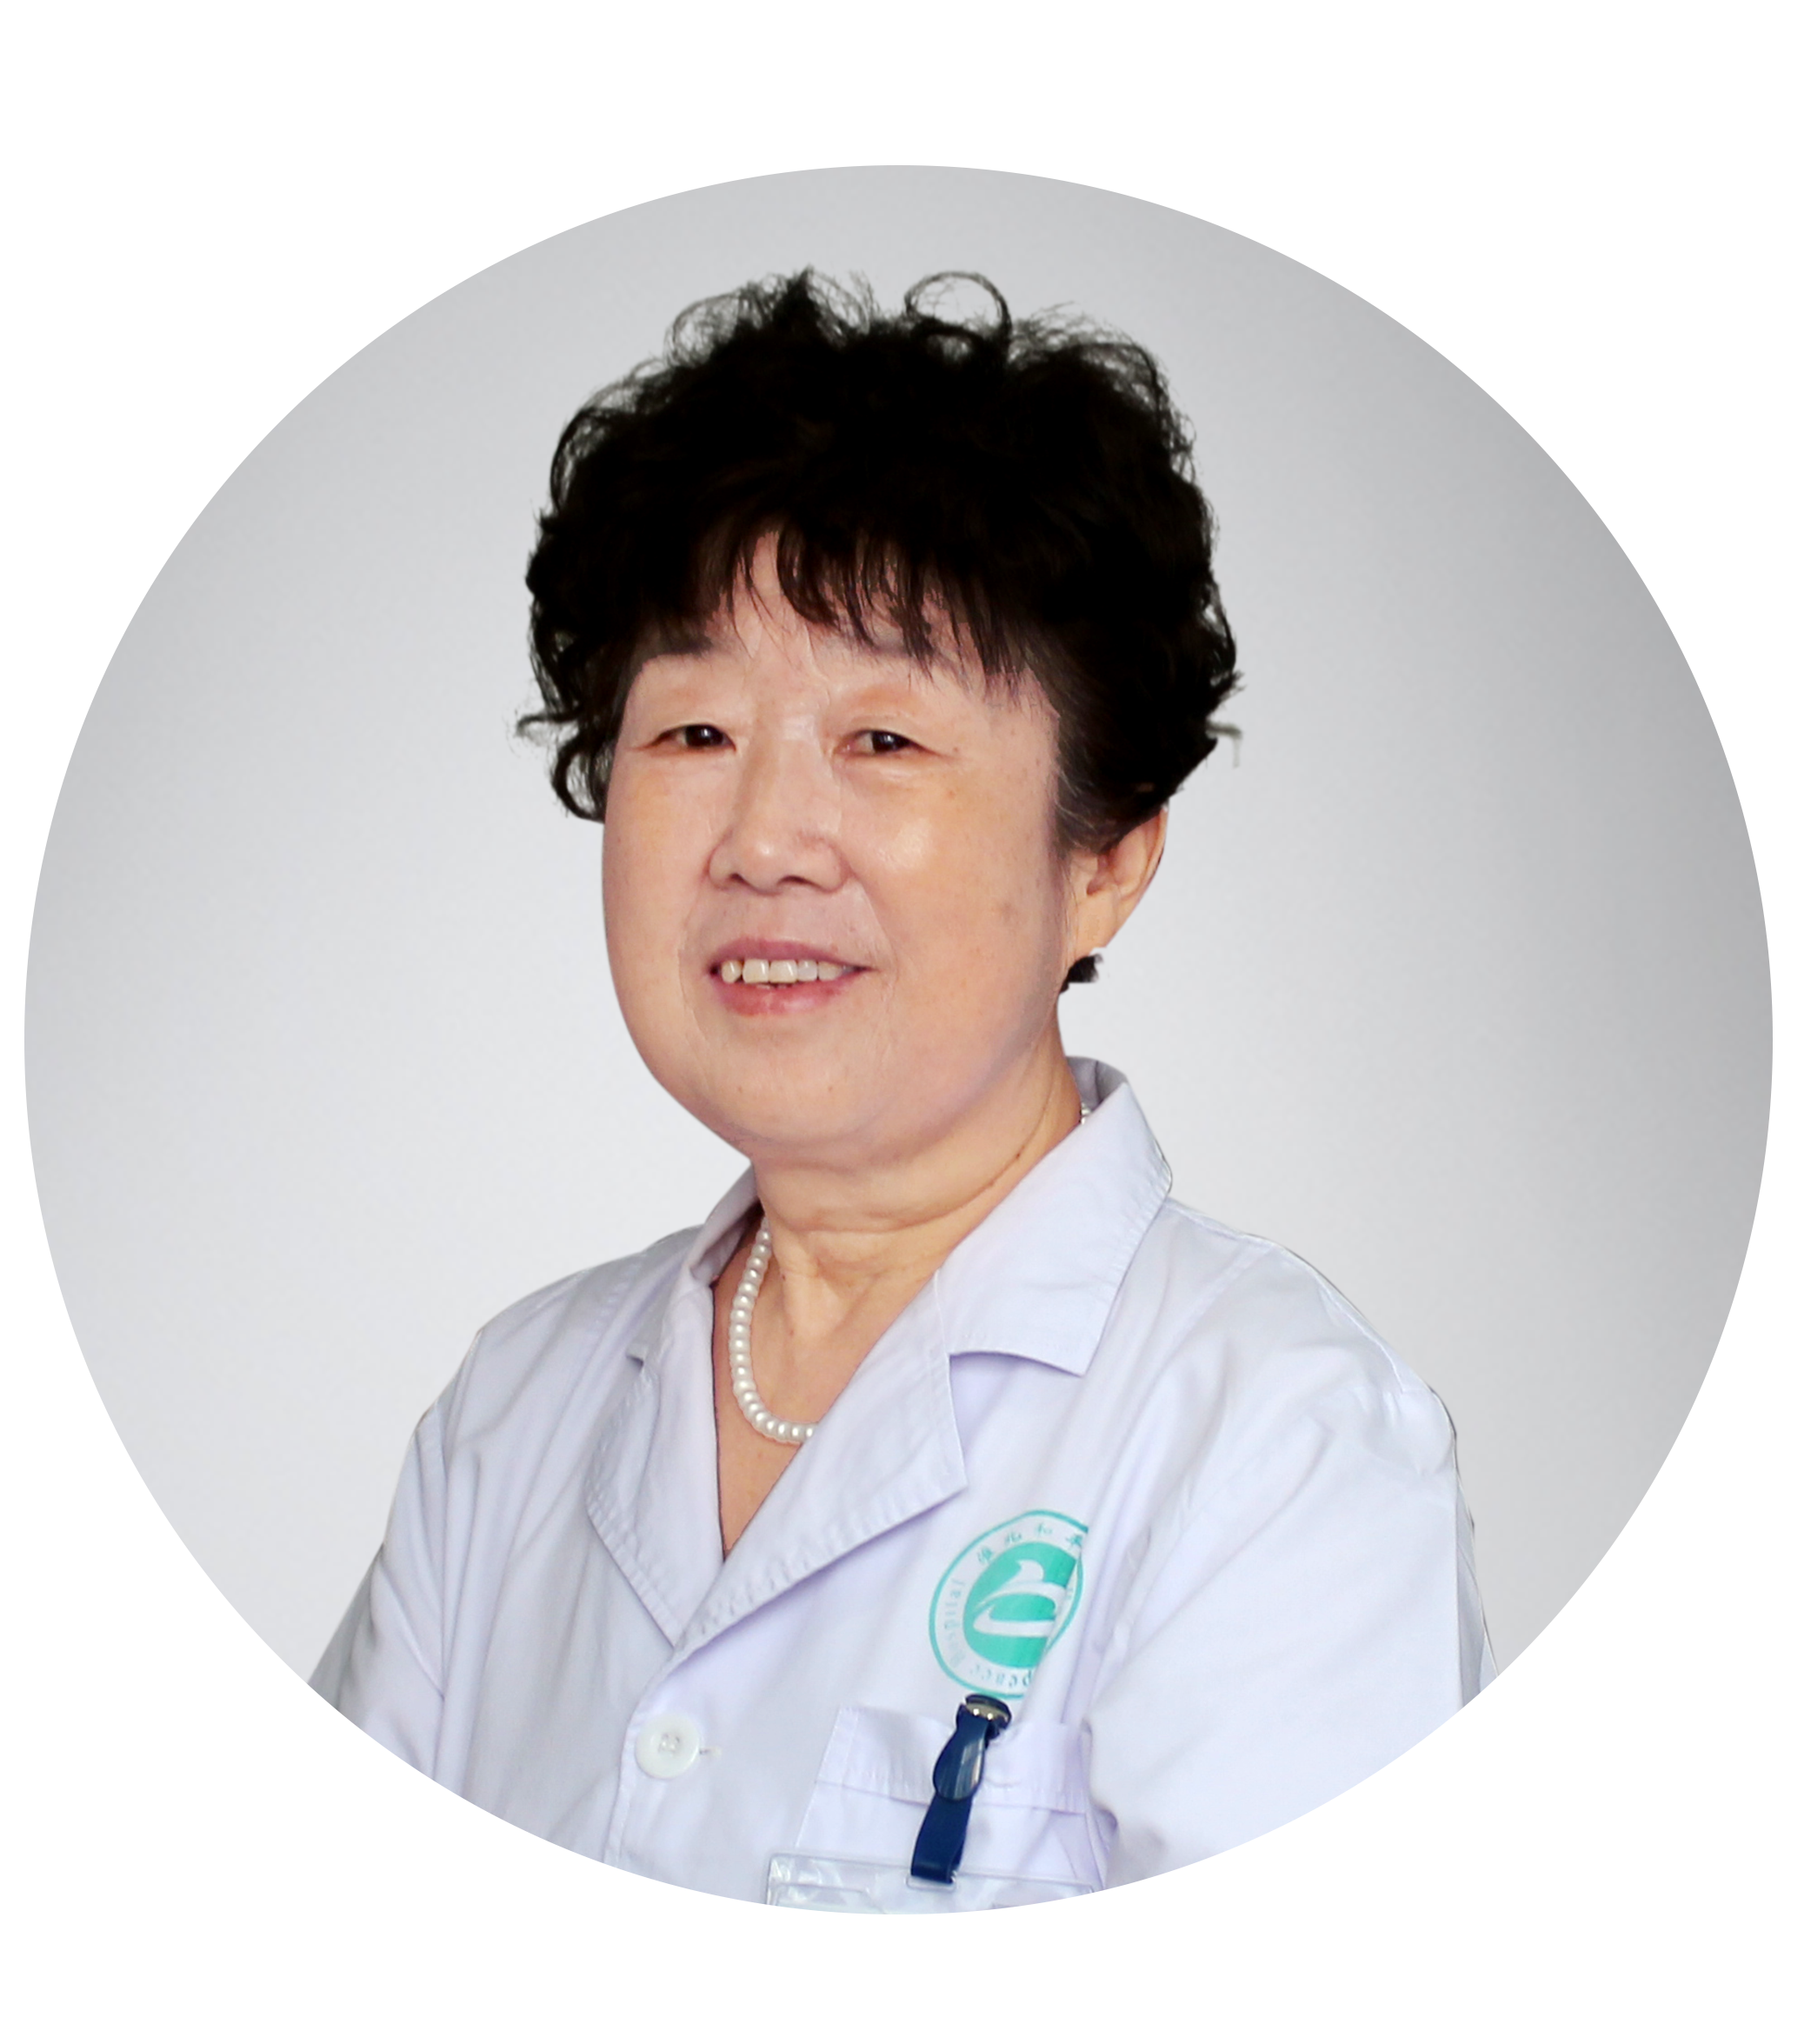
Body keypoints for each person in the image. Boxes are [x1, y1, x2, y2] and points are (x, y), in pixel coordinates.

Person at [184, 271, 1514, 1915]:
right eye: (691, 733)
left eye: (882, 740)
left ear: (1105, 859)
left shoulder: (1268, 1443)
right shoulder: (517, 1413)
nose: (761, 838)